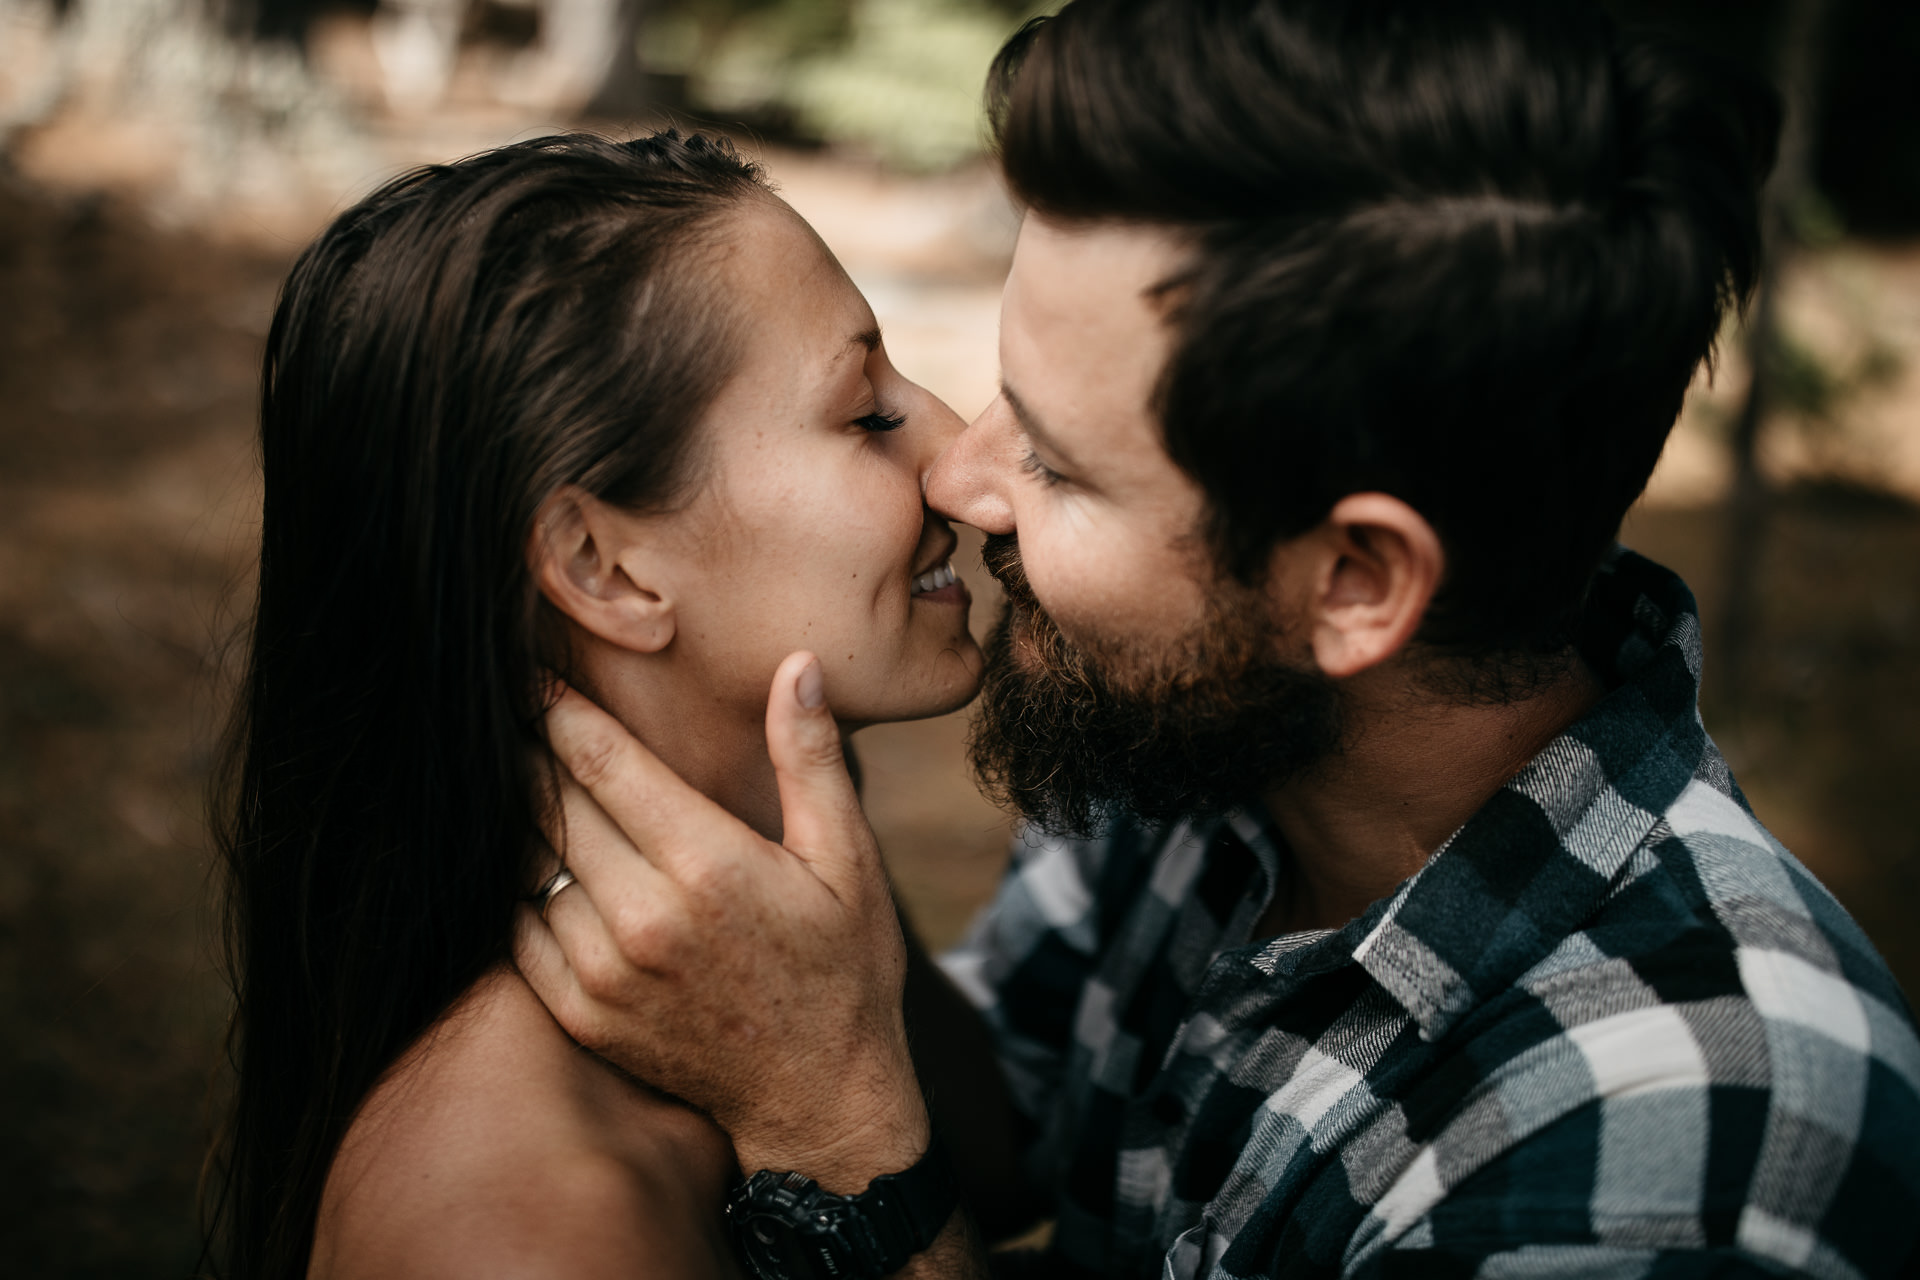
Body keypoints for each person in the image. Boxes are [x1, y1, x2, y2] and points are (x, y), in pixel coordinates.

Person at [512, 2, 1920, 1278]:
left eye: (1059, 465)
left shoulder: (1687, 1153)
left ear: (1354, 582)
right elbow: (1008, 1113)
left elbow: (883, 1122)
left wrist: (830, 1125)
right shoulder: (1200, 733)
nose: (959, 480)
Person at [206, 130, 985, 1279]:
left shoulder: (791, 912)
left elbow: (1006, 1157)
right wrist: (838, 1129)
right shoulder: (528, 1234)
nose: (961, 454)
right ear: (605, 568)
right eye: (867, 413)